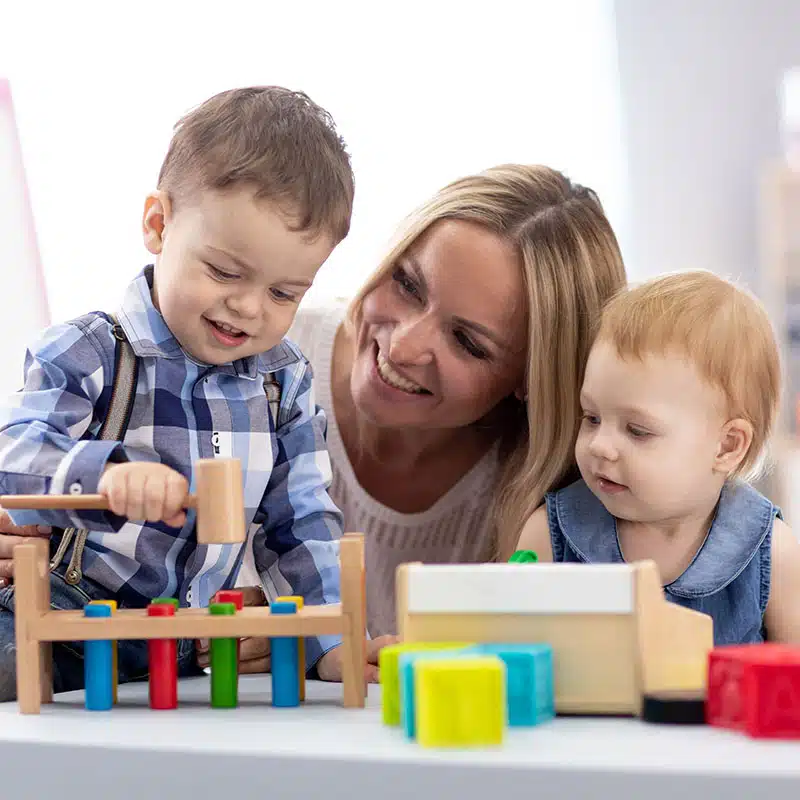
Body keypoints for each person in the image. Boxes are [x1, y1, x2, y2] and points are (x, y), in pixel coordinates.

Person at [0, 163, 627, 669]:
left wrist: (317, 641)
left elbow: (301, 537)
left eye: (468, 341)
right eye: (408, 284)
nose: (404, 346)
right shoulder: (240, 340)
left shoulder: (553, 499)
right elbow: (29, 456)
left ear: (529, 379)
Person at [0, 85, 390, 701]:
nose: (248, 307)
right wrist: (110, 475)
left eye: (284, 293)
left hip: (182, 651)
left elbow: (304, 523)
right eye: (225, 272)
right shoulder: (91, 351)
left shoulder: (281, 382)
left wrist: (336, 643)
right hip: (59, 623)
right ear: (159, 226)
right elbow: (15, 464)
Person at [517, 270, 800, 645]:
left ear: (727, 447)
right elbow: (510, 661)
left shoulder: (774, 554)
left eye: (637, 430)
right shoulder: (548, 536)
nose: (600, 445)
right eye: (592, 418)